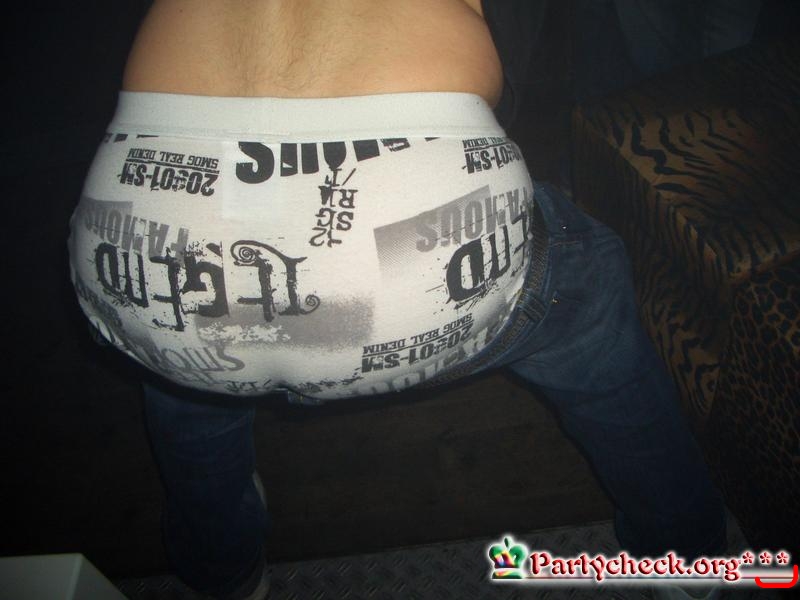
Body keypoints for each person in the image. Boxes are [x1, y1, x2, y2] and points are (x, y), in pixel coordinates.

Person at [68, 1, 726, 598]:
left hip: (151, 224)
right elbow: (498, 89)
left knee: (180, 354)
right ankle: (686, 559)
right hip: (406, 212)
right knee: (588, 296)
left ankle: (221, 567)